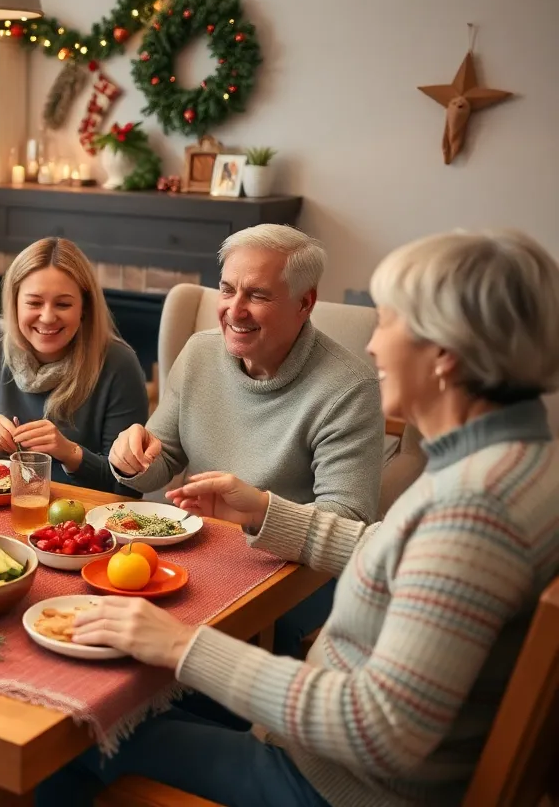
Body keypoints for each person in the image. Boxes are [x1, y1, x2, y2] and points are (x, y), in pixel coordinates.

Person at [39, 229, 559, 807]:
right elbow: (390, 550)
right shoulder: (516, 464)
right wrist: (265, 511)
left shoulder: (474, 510)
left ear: (445, 355)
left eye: (387, 323)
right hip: (321, 751)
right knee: (135, 696)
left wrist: (182, 646)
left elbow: (379, 731)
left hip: (330, 786)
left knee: (68, 733)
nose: (374, 346)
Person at [109, 224, 384, 655]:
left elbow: (349, 523)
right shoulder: (199, 352)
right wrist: (132, 459)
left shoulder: (349, 389)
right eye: (227, 290)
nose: (234, 311)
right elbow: (158, 464)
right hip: (195, 550)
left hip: (293, 575)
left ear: (304, 303)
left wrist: (259, 512)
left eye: (257, 295)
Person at [0, 237, 148, 493]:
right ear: (14, 303)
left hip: (78, 519)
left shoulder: (119, 362)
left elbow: (128, 488)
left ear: (84, 307)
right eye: (34, 302)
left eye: (63, 304)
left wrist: (70, 453)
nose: (48, 317)